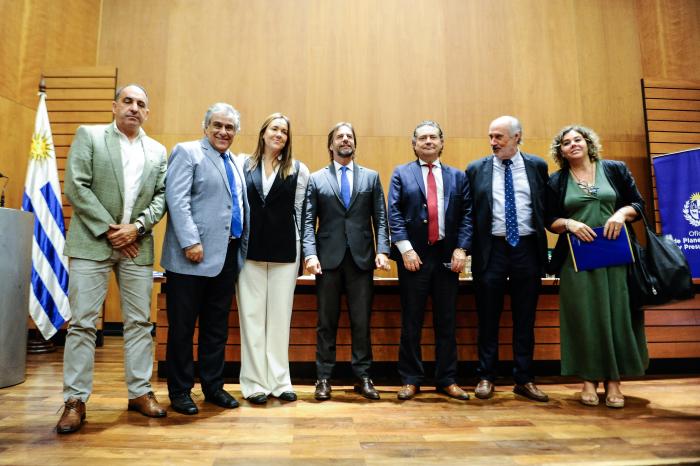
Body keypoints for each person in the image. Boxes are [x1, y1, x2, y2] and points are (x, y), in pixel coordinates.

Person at [57, 84, 168, 434]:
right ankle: (75, 400)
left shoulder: (157, 150)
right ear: (114, 106)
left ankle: (139, 392)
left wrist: (135, 227)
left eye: (141, 104)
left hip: (137, 245)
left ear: (147, 113)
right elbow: (76, 186)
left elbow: (162, 196)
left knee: (139, 323)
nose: (134, 108)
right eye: (128, 101)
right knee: (83, 324)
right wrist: (111, 230)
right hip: (92, 243)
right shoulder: (89, 136)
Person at [546, 124, 648, 408]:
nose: (573, 144)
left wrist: (620, 214)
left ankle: (614, 381)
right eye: (566, 143)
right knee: (584, 318)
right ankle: (588, 381)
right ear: (561, 152)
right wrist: (569, 223)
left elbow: (638, 205)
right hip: (577, 262)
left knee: (618, 316)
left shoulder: (615, 169)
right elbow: (549, 219)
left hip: (618, 257)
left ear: (589, 143)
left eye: (578, 139)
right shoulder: (556, 181)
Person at [161, 102, 249, 414]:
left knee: (216, 328)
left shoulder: (235, 162)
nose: (224, 132)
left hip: (226, 255)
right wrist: (190, 242)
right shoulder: (187, 152)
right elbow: (177, 199)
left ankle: (213, 387)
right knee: (183, 328)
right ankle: (180, 391)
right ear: (206, 127)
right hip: (191, 257)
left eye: (230, 127)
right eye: (218, 125)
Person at [302, 122, 391, 401]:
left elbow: (381, 217)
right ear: (331, 145)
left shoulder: (371, 177)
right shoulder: (316, 179)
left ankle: (363, 377)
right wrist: (310, 253)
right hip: (327, 261)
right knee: (326, 322)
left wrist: (383, 250)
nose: (344, 140)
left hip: (362, 260)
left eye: (349, 136)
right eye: (339, 137)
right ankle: (324, 378)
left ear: (355, 143)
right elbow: (307, 221)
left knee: (361, 322)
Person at [466, 115, 550, 402]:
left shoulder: (537, 166)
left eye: (499, 137)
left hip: (526, 248)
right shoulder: (476, 169)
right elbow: (469, 213)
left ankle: (524, 379)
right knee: (488, 316)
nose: (493, 142)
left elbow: (544, 207)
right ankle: (486, 376)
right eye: (491, 136)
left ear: (517, 137)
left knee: (525, 317)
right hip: (491, 249)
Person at [388, 120, 472, 401]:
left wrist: (462, 248)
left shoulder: (458, 177)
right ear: (414, 144)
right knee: (412, 320)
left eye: (433, 137)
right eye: (422, 138)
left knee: (446, 320)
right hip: (414, 258)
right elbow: (395, 213)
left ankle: (447, 379)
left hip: (448, 258)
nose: (427, 141)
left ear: (441, 142)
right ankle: (411, 379)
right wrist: (405, 250)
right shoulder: (401, 173)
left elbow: (468, 215)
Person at [236, 113, 309, 404]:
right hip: (250, 249)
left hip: (285, 251)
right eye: (274, 129)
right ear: (263, 132)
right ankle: (254, 383)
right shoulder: (243, 164)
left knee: (279, 318)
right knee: (251, 317)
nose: (279, 134)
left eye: (284, 131)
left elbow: (302, 214)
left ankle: (280, 381)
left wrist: (305, 256)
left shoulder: (298, 169)